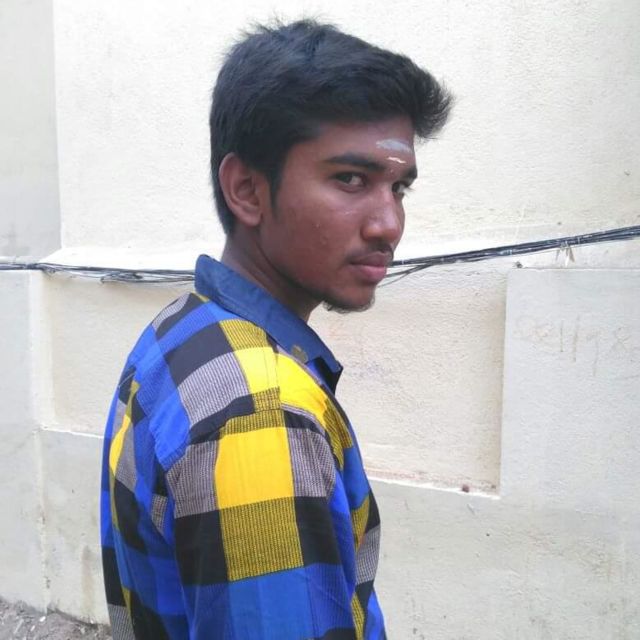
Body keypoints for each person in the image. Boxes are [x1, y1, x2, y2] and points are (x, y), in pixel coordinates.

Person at [100, 19, 451, 640]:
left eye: (399, 187)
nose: (389, 224)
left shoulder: (183, 327)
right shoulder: (260, 415)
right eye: (351, 179)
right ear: (247, 190)